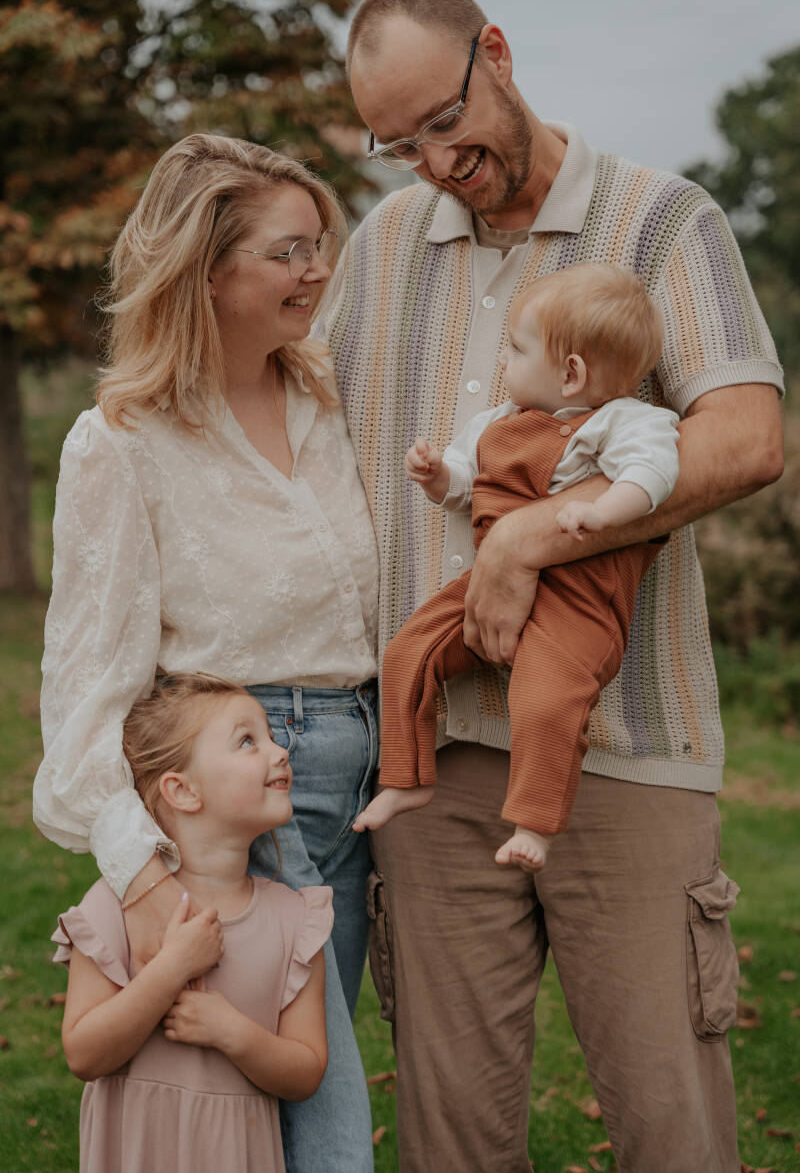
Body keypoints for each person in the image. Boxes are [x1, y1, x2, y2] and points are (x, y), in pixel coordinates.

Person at [324, 0, 785, 1171]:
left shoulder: (658, 219)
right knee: (447, 1140)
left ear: (496, 52)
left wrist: (535, 534)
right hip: (423, 776)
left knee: (667, 1126)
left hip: (624, 753)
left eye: (443, 120)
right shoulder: (375, 249)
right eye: (396, 140)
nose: (430, 160)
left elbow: (744, 439)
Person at [33, 133, 378, 1173]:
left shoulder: (330, 402)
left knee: (284, 1071)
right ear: (207, 270)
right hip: (242, 783)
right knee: (324, 1124)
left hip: (370, 777)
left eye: (320, 245)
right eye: (287, 252)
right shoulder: (125, 439)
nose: (317, 270)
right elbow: (87, 682)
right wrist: (144, 875)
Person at [354, 263, 680, 873]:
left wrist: (604, 509)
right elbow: (465, 485)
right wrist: (437, 476)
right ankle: (407, 775)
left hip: (578, 599)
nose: (504, 360)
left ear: (572, 372)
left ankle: (535, 822)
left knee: (548, 700)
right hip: (487, 588)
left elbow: (652, 474)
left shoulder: (625, 420)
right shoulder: (497, 423)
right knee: (408, 653)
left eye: (517, 348)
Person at [52, 673, 333, 1173]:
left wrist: (232, 1032)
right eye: (249, 741)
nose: (280, 751)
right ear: (182, 790)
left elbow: (306, 1072)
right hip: (135, 1150)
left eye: (270, 735)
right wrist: (170, 968)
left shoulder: (296, 919)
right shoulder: (114, 906)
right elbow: (84, 1055)